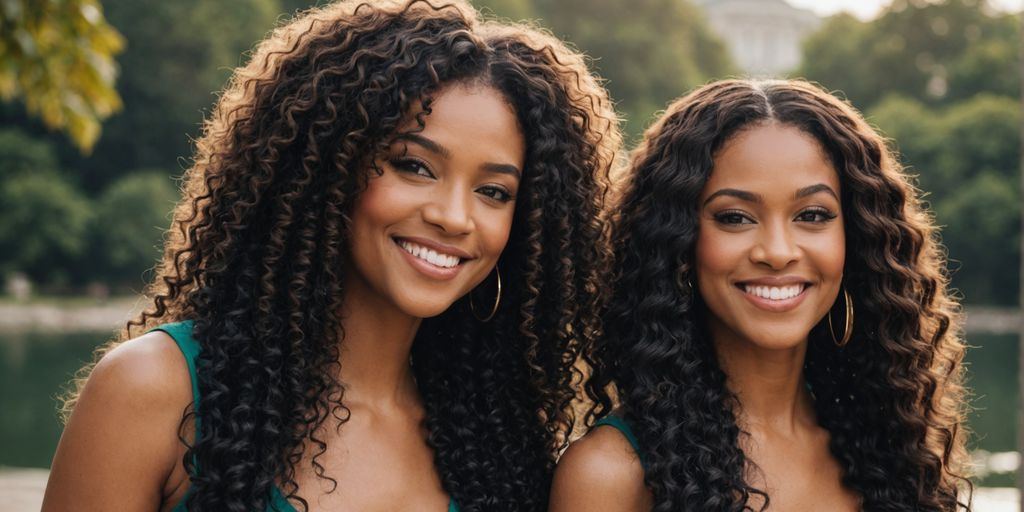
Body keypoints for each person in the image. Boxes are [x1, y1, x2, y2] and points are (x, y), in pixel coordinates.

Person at [43, 1, 620, 510]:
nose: (453, 216)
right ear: (322, 169)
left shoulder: (501, 445)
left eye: (494, 192)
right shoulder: (154, 390)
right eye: (413, 166)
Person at [551, 79, 971, 511]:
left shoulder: (895, 447)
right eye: (735, 217)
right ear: (678, 241)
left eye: (812, 215)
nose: (777, 252)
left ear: (857, 238)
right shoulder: (610, 476)